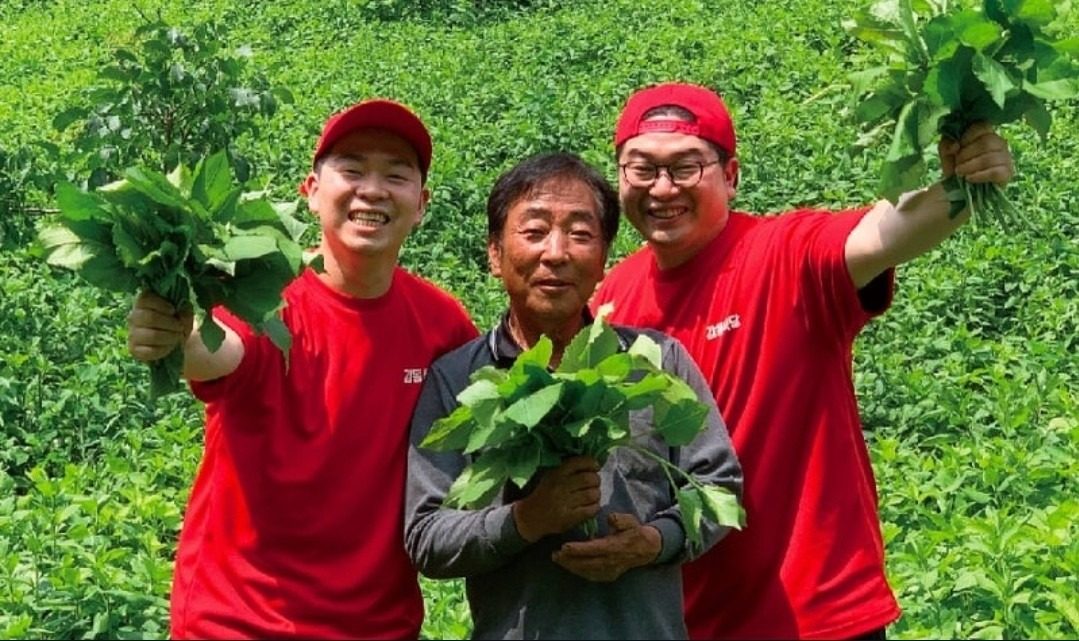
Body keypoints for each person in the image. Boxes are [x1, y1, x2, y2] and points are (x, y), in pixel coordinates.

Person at [591, 82, 1015, 640]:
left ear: (732, 175)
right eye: (641, 168)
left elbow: (883, 234)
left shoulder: (784, 254)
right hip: (683, 618)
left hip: (815, 615)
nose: (662, 188)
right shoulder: (612, 299)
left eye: (687, 167)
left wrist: (961, 184)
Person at [126, 99, 478, 639]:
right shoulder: (261, 297)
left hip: (377, 626)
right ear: (310, 192)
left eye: (396, 175)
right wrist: (174, 336)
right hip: (239, 621)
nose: (373, 189)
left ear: (422, 203)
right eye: (352, 169)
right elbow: (219, 351)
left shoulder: (442, 324)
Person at [404, 152, 744, 639]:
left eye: (581, 234)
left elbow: (718, 489)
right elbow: (427, 539)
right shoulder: (460, 379)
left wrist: (653, 541)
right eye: (534, 231)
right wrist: (526, 519)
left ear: (604, 257)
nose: (557, 252)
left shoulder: (653, 361)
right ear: (495, 254)